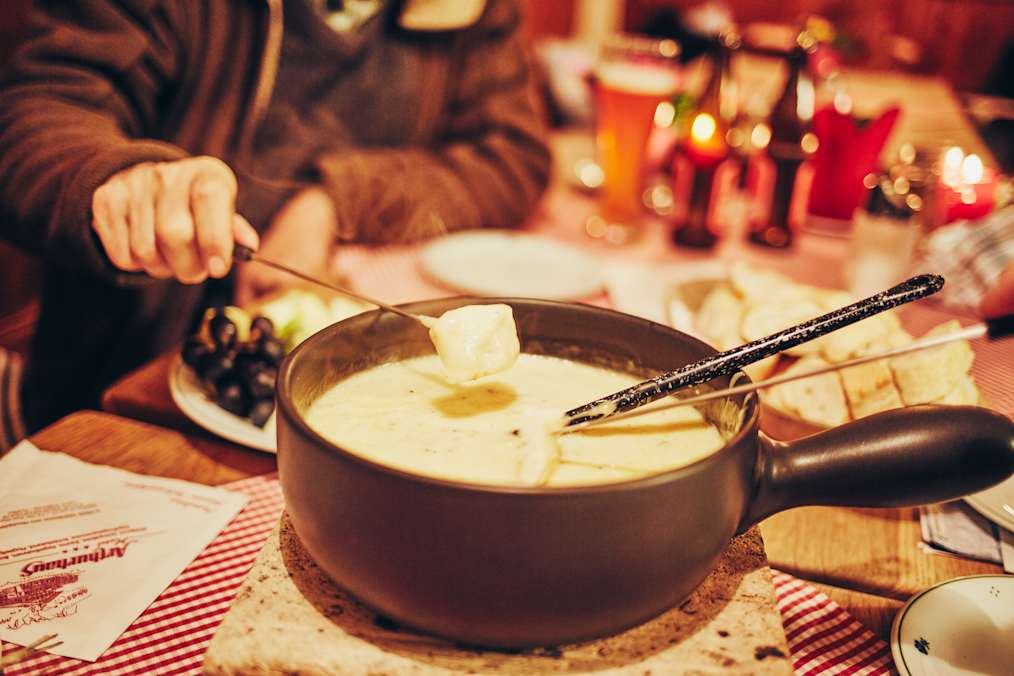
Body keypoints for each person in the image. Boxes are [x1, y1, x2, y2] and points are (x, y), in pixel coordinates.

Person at [0, 0, 551, 432]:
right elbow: (36, 115)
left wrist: (335, 200)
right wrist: (123, 180)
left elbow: (511, 152)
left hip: (345, 387)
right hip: (126, 390)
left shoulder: (473, 8)